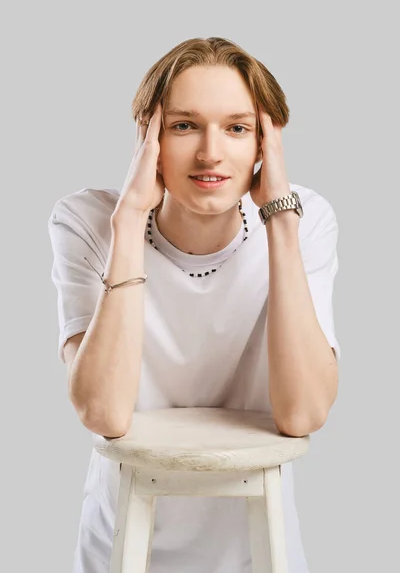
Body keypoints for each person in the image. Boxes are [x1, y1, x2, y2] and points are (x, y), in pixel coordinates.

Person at [48, 36, 340, 573]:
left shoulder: (306, 219)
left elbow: (302, 413)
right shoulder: (88, 222)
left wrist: (281, 221)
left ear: (265, 143)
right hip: (122, 547)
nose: (210, 152)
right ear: (148, 135)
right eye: (184, 125)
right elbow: (105, 413)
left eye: (237, 127)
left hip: (259, 551)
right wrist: (130, 219)